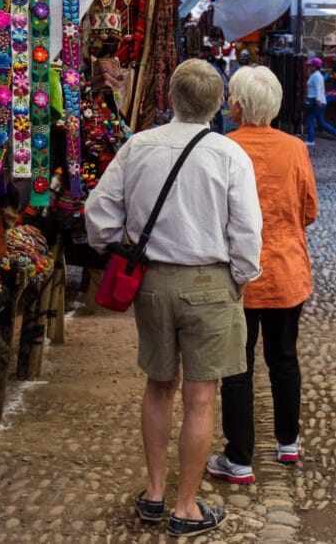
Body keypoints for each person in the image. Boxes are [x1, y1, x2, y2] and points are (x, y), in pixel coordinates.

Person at [85, 58, 263, 538]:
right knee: (201, 397)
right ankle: (186, 508)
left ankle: (155, 493)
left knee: (159, 385)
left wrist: (117, 244)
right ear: (220, 103)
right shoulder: (229, 155)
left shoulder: (137, 147)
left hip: (153, 283)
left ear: (169, 98)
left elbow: (97, 214)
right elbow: (246, 231)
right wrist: (242, 278)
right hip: (210, 283)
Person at [207, 66, 318, 485]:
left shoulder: (222, 147)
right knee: (284, 357)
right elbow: (309, 210)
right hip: (286, 272)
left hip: (235, 275)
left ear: (236, 105)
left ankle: (239, 457)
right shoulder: (295, 149)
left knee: (237, 365)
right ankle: (287, 442)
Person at [304, 57, 336, 145]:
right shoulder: (317, 75)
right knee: (320, 122)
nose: (309, 67)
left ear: (314, 66)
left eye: (311, 65)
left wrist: (318, 100)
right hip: (319, 101)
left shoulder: (316, 76)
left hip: (316, 101)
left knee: (309, 119)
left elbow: (318, 89)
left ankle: (310, 140)